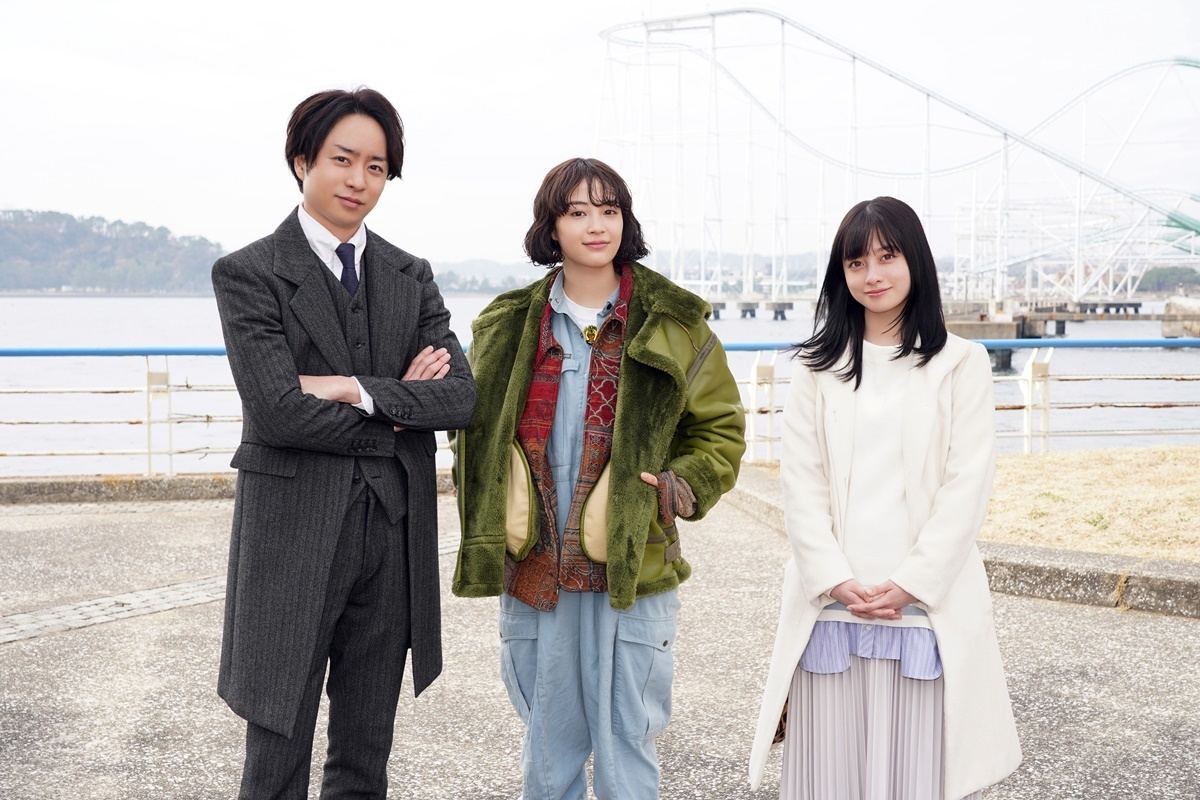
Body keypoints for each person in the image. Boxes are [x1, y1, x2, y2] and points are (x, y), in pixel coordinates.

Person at [452, 157, 745, 799]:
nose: (596, 225)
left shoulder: (674, 321)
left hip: (632, 567)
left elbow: (720, 429)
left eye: (609, 210)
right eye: (578, 211)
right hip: (535, 568)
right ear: (550, 226)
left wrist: (679, 487)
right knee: (547, 745)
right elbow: (470, 431)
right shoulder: (505, 325)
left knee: (627, 741)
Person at [211, 87, 476, 798]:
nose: (359, 180)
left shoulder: (409, 274)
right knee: (276, 748)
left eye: (377, 167)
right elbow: (278, 414)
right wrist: (398, 406)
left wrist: (350, 389)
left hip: (392, 533)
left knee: (366, 748)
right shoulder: (249, 273)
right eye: (342, 159)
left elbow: (460, 398)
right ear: (303, 161)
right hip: (292, 535)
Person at [748, 197, 1021, 799]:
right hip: (831, 608)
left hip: (924, 609)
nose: (872, 275)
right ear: (841, 274)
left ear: (915, 260)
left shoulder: (961, 363)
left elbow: (967, 484)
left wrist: (913, 582)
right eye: (856, 263)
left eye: (887, 257)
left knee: (913, 777)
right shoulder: (816, 368)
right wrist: (834, 578)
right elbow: (801, 482)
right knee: (829, 779)